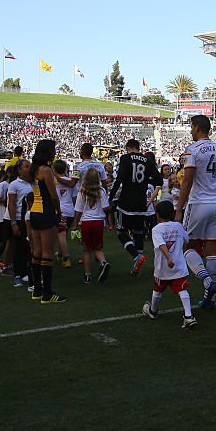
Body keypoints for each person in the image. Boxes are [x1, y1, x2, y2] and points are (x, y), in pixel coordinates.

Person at [177, 115, 216, 305]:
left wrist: (179, 209)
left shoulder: (192, 150)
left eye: (191, 127)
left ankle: (207, 281)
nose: (191, 131)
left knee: (187, 245)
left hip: (199, 203)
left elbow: (188, 181)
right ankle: (212, 297)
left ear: (198, 127)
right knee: (212, 246)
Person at [142, 200, 197, 330]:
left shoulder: (156, 229)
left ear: (157, 214)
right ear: (172, 214)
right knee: (182, 289)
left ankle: (153, 311)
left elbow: (161, 244)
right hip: (178, 266)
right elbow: (187, 239)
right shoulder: (178, 226)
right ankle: (188, 316)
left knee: (158, 289)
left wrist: (168, 258)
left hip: (163, 267)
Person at [111, 138, 163, 276]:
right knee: (138, 232)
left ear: (128, 148)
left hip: (126, 202)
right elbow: (159, 180)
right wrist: (146, 180)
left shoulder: (125, 158)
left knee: (121, 232)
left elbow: (119, 178)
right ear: (138, 148)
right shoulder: (148, 161)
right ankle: (137, 268)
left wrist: (110, 197)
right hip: (141, 203)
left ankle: (136, 256)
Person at [29, 140, 65, 303]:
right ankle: (48, 293)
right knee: (47, 253)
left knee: (36, 252)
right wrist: (59, 211)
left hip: (34, 211)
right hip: (46, 212)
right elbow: (53, 195)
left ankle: (37, 290)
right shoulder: (46, 170)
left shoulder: (34, 169)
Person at [73, 168, 111, 284]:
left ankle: (87, 275)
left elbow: (78, 211)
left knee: (86, 250)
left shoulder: (82, 191)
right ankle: (103, 262)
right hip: (98, 222)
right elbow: (106, 207)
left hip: (86, 222)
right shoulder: (101, 191)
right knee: (98, 248)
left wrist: (75, 225)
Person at [6, 159, 34, 289]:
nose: (29, 169)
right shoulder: (14, 184)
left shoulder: (34, 183)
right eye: (26, 166)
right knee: (19, 247)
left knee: (29, 248)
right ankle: (18, 275)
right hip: (19, 219)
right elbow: (11, 204)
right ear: (19, 170)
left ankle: (26, 272)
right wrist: (13, 223)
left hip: (32, 219)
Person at [53, 160, 76, 269]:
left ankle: (66, 258)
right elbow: (74, 197)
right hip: (70, 210)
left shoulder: (53, 181)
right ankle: (61, 254)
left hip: (60, 210)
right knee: (63, 233)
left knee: (60, 235)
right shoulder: (71, 181)